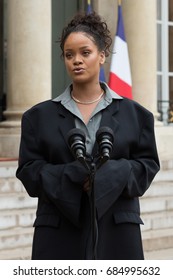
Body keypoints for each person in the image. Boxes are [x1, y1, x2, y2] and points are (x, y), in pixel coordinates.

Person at [16, 11, 160, 260]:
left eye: (85, 52)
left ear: (102, 55)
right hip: (58, 233)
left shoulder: (137, 115)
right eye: (69, 55)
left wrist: (109, 176)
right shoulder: (37, 117)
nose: (76, 61)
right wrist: (70, 175)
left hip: (118, 232)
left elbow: (147, 167)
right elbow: (28, 171)